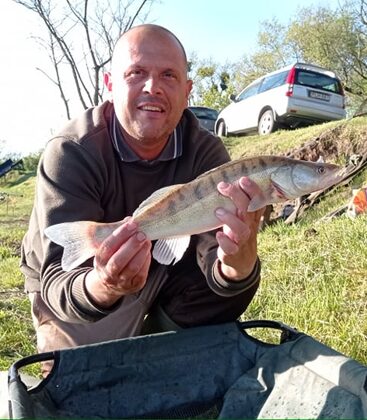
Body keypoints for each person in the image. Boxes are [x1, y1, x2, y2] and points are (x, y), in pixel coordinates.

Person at [20, 24, 265, 376]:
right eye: (136, 73)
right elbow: (59, 279)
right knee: (80, 379)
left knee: (232, 285)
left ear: (186, 91)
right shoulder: (72, 151)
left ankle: (157, 347)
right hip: (85, 279)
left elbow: (218, 258)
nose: (153, 87)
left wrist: (237, 264)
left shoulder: (205, 151)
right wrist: (106, 284)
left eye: (169, 75)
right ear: (110, 84)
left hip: (165, 265)